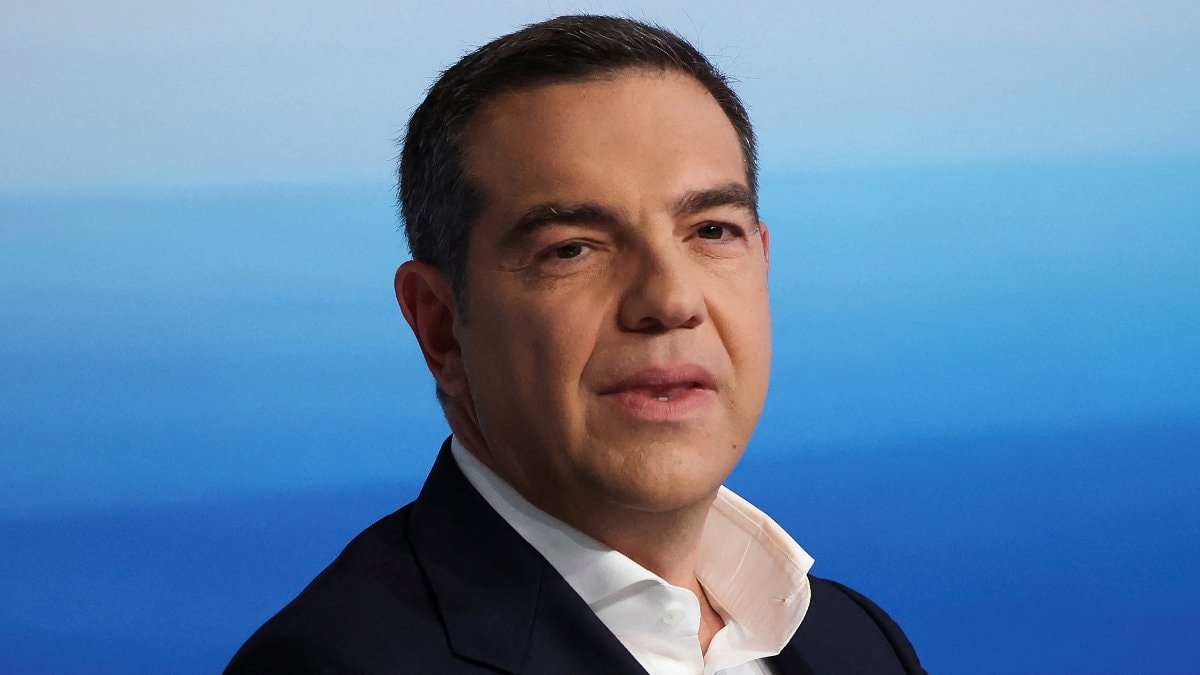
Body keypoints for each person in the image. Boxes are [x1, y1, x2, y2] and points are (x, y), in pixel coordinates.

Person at [227, 14, 924, 674]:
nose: (671, 301)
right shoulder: (336, 663)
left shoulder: (856, 642)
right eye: (573, 249)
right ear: (440, 325)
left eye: (712, 231)